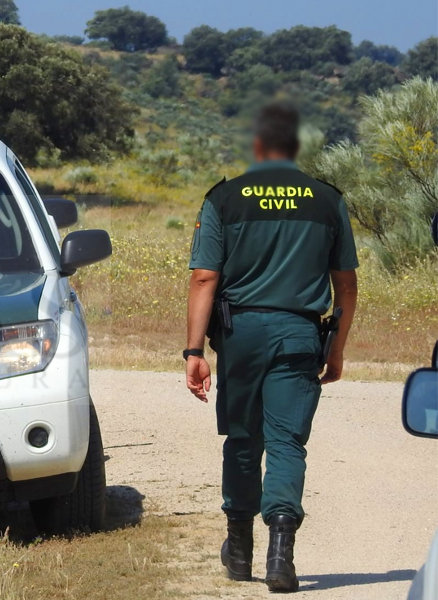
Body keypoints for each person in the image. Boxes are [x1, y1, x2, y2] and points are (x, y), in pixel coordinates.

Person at [183, 103, 358, 593]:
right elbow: (345, 284)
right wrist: (337, 349)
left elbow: (204, 278)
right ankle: (282, 555)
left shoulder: (225, 198)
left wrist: (193, 351)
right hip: (300, 334)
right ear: (296, 145)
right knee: (287, 443)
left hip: (240, 336)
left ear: (257, 145)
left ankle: (239, 551)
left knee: (243, 439)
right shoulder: (327, 200)